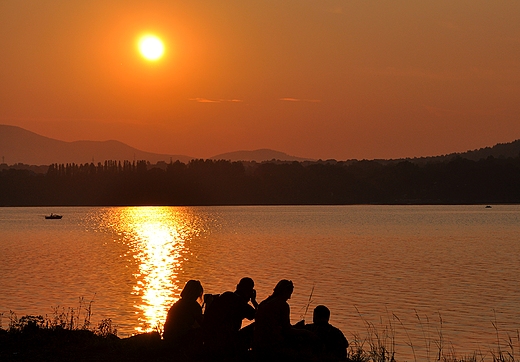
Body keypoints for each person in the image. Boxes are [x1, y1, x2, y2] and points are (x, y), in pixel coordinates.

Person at [253, 280, 313, 361]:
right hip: (272, 344)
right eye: (289, 294)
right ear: (285, 292)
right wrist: (304, 331)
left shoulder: (264, 303)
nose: (289, 297)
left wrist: (295, 327)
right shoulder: (283, 305)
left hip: (257, 342)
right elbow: (287, 330)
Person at [203, 277, 259, 360]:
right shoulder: (239, 302)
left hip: (211, 338)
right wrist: (253, 301)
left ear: (237, 287)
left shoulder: (225, 295)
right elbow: (260, 316)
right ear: (249, 292)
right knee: (256, 325)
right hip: (228, 340)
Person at [163, 280, 204, 357]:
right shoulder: (194, 306)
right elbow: (203, 324)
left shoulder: (177, 304)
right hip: (181, 338)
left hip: (169, 336)